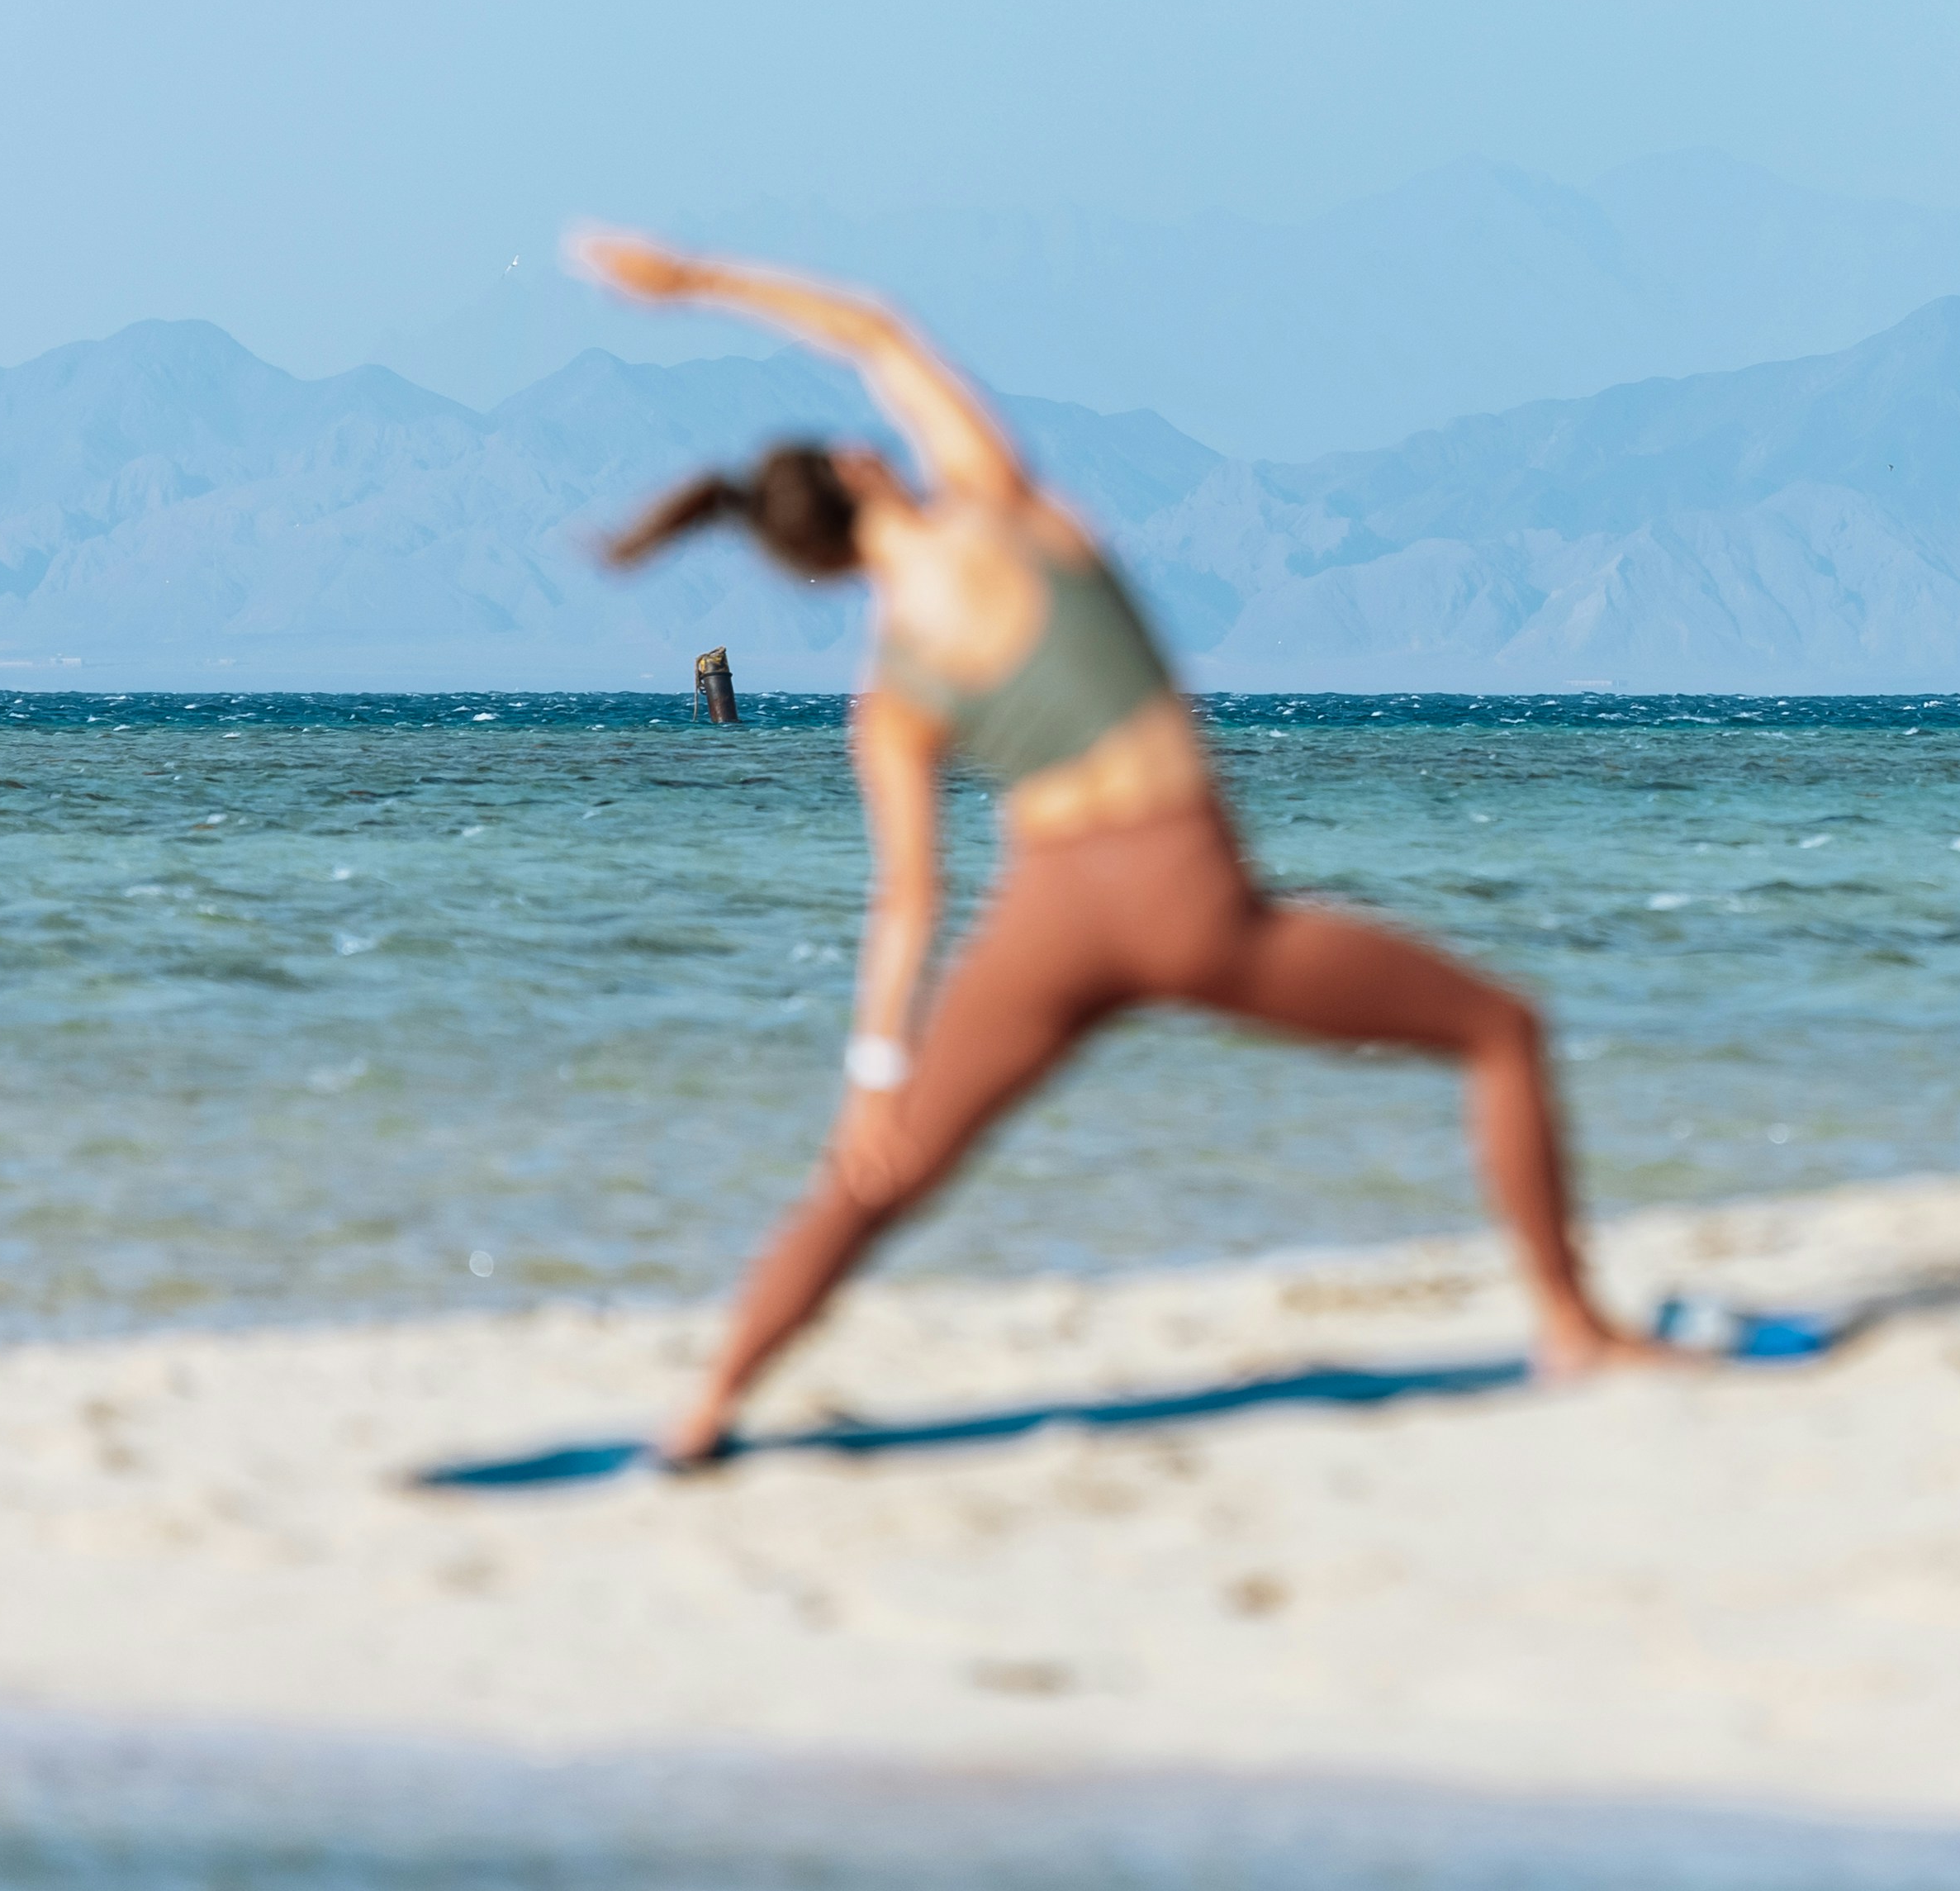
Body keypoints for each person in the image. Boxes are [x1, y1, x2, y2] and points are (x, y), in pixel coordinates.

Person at [576, 228, 1664, 1462]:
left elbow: (910, 899)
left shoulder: (890, 692)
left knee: (878, 1180)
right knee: (1497, 1028)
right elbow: (875, 328)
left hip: (1047, 926)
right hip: (1187, 897)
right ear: (862, 467)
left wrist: (875, 1071)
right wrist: (698, 284)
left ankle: (707, 1402)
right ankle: (1571, 1325)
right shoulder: (1006, 514)